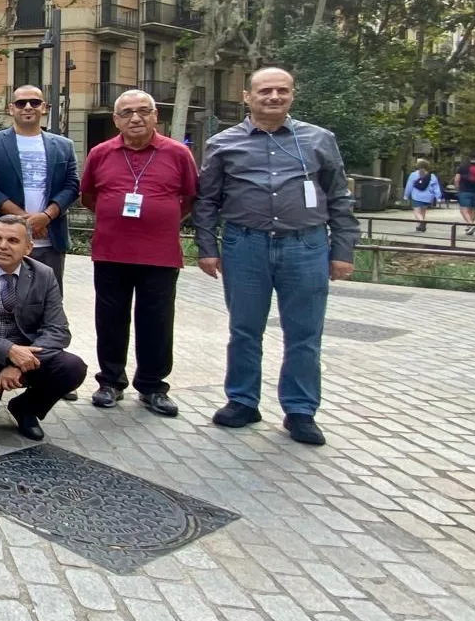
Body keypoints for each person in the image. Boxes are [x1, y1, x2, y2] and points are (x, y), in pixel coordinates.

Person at [194, 66, 359, 447]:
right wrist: (207, 248)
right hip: (245, 246)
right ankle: (242, 400)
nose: (273, 97)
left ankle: (300, 410)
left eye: (282, 91)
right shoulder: (223, 143)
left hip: (306, 246)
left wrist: (343, 250)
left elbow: (339, 197)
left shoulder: (319, 140)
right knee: (244, 329)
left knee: (304, 333)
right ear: (247, 97)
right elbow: (207, 200)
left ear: (292, 95)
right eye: (265, 90)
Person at [81, 90, 198, 418]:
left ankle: (152, 386)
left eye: (143, 111)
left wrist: (160, 220)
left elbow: (190, 197)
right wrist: (115, 216)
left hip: (160, 254)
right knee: (110, 320)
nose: (136, 118)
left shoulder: (178, 153)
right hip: (111, 251)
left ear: (155, 115)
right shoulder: (101, 153)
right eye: (127, 112)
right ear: (116, 119)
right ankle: (110, 382)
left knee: (157, 322)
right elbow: (88, 196)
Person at [0, 216, 87, 443]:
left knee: (72, 367)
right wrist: (8, 350)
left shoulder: (44, 275)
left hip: (26, 357)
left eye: (12, 240)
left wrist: (17, 364)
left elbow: (58, 330)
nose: (2, 246)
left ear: (28, 247)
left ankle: (25, 408)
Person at [0, 85, 81, 286]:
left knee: (49, 298)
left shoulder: (64, 145)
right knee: (2, 297)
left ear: (44, 107)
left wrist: (46, 217)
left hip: (50, 239)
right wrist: (25, 221)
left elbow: (72, 186)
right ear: (11, 108)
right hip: (6, 240)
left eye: (35, 102)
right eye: (21, 103)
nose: (28, 107)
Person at [405, 159, 443, 233]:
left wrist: (406, 195)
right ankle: (419, 226)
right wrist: (438, 196)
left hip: (416, 196)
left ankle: (422, 222)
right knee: (423, 211)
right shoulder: (432, 176)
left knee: (417, 212)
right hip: (428, 197)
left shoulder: (413, 174)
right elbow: (436, 187)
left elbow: (409, 186)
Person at [457, 153, 475, 235]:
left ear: (470, 158)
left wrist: (458, 188)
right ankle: (469, 227)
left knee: (463, 210)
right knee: (473, 210)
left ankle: (471, 225)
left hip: (465, 191)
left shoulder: (463, 167)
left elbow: (456, 179)